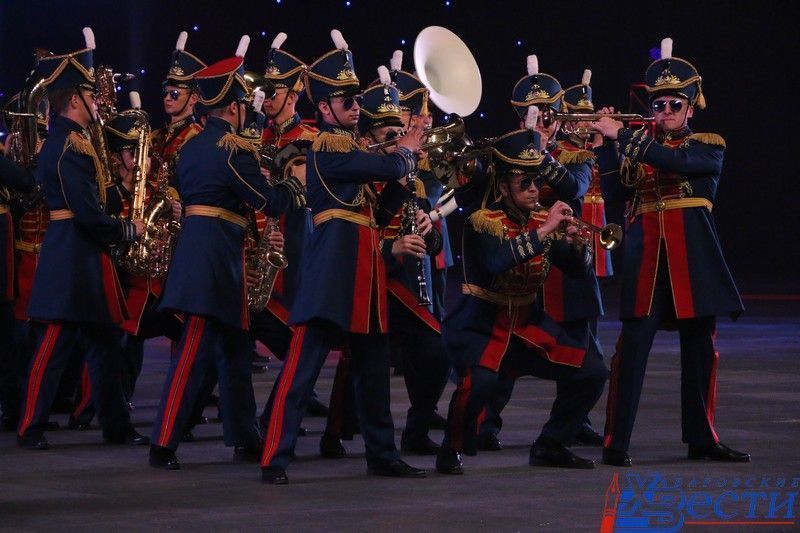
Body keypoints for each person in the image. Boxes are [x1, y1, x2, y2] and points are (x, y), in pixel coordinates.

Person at [259, 30, 426, 484]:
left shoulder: (352, 150)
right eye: (345, 99)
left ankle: (383, 453)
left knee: (373, 371)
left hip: (364, 266)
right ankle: (274, 455)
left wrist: (400, 182)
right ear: (325, 108)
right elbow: (387, 166)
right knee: (302, 369)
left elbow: (375, 210)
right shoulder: (328, 145)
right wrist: (406, 156)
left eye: (355, 99)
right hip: (334, 266)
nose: (356, 106)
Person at [148, 36, 306, 470]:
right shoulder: (234, 151)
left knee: (235, 351)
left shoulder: (192, 147)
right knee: (193, 353)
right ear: (235, 107)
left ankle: (245, 436)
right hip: (215, 262)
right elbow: (268, 201)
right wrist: (296, 184)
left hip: (206, 256)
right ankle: (163, 441)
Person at [592, 37, 748, 466]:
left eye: (673, 105)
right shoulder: (635, 148)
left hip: (693, 261)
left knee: (701, 351)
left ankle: (703, 439)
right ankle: (615, 442)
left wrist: (621, 134)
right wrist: (606, 143)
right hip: (646, 260)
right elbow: (612, 191)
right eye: (657, 106)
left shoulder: (707, 146)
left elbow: (674, 163)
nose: (663, 114)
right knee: (631, 351)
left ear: (690, 108)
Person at [435, 128, 608, 475]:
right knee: (478, 383)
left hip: (527, 324)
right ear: (503, 188)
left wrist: (578, 246)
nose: (534, 191)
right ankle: (450, 449)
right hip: (481, 324)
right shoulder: (481, 222)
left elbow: (574, 269)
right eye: (524, 184)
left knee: (592, 371)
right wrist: (544, 233)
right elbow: (499, 261)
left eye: (536, 183)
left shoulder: (542, 220)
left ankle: (551, 443)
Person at [18, 28, 148, 450]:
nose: (98, 102)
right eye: (91, 96)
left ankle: (116, 425)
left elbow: (93, 200)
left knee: (106, 344)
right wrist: (128, 229)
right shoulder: (69, 146)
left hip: (83, 256)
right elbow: (88, 214)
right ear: (74, 99)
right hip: (73, 255)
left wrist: (122, 187)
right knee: (55, 345)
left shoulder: (74, 141)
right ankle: (29, 427)